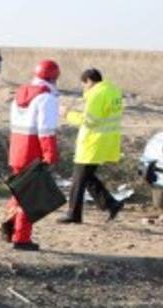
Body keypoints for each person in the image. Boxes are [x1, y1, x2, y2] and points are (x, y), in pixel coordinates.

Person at [3, 59, 61, 252]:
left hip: (17, 149)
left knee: (20, 192)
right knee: (30, 197)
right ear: (54, 77)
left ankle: (9, 225)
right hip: (33, 151)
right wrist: (50, 155)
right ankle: (21, 238)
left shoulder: (19, 94)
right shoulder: (46, 99)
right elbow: (46, 131)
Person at [59, 68, 124, 224]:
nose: (84, 88)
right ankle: (110, 204)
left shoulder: (96, 94)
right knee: (86, 177)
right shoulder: (113, 91)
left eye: (84, 85)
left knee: (78, 179)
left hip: (92, 142)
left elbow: (90, 121)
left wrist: (67, 114)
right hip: (106, 141)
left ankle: (73, 214)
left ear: (88, 81)